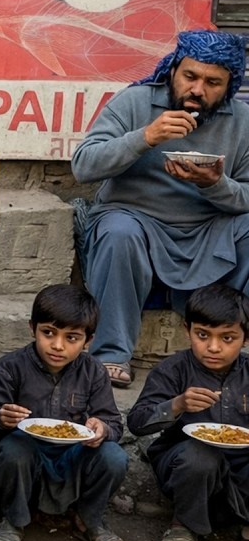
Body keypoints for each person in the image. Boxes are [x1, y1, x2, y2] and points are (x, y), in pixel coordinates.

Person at [71, 30, 249, 389]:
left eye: (212, 82)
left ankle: (234, 348)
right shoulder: (134, 102)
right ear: (172, 70)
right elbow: (84, 165)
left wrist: (215, 183)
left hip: (207, 230)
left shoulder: (242, 120)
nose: (197, 89)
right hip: (136, 219)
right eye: (190, 76)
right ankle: (111, 354)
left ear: (229, 86)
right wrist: (145, 137)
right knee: (118, 231)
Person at [0, 284, 130, 541]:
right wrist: (0, 419)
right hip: (25, 461)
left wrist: (102, 429)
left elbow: (114, 424)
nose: (58, 345)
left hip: (71, 459)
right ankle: (14, 522)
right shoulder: (9, 367)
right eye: (48, 333)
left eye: (72, 338)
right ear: (32, 328)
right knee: (13, 450)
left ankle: (89, 521)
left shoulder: (94, 372)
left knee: (114, 456)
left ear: (88, 340)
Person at [126, 283, 249, 541]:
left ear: (245, 338)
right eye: (202, 335)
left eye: (227, 338)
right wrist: (177, 404)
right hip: (186, 466)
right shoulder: (173, 370)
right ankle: (183, 526)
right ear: (187, 330)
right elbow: (137, 423)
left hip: (240, 468)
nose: (213, 347)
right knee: (200, 456)